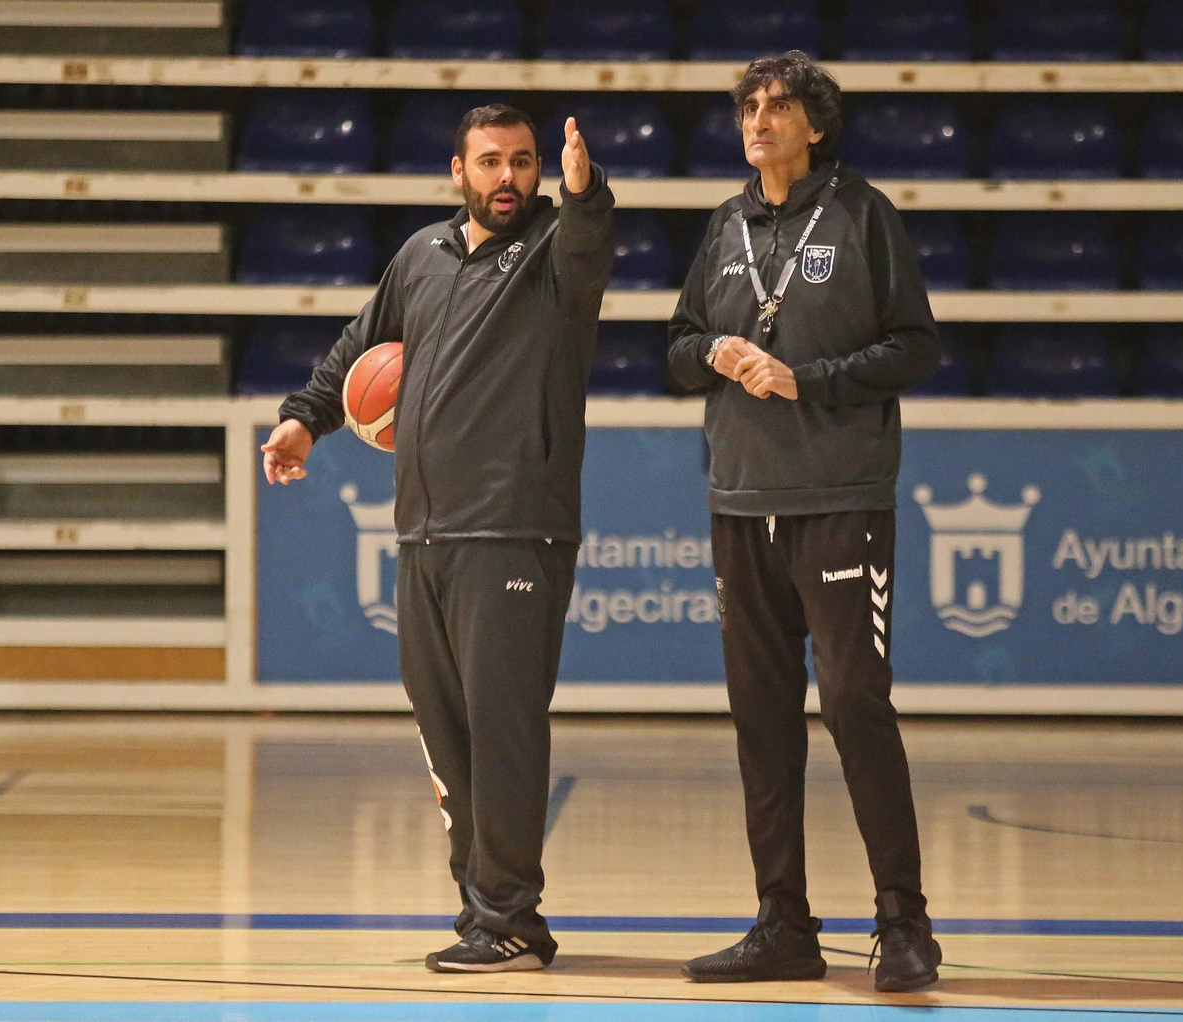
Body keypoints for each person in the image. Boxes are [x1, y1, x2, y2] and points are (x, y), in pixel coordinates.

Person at [261, 105, 615, 973]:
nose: (509, 179)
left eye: (524, 163)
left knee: (503, 729)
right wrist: (306, 419)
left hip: (513, 527)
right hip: (422, 530)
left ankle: (512, 917)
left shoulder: (555, 254)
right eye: (491, 162)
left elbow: (590, 234)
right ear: (457, 170)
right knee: (445, 731)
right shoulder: (420, 256)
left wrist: (584, 188)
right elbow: (362, 345)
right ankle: (481, 910)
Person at [667, 52, 944, 991]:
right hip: (741, 500)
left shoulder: (865, 216)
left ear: (815, 125)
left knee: (857, 705)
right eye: (749, 105)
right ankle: (783, 920)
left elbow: (916, 345)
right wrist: (715, 348)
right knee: (762, 718)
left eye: (779, 105)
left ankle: (904, 924)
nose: (759, 118)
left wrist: (807, 381)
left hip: (840, 500)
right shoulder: (725, 225)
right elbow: (674, 349)